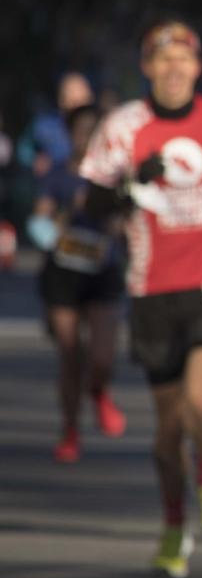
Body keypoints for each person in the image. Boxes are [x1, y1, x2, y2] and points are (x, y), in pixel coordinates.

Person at [79, 22, 202, 578]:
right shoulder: (124, 126)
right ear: (147, 68)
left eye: (185, 60)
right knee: (167, 428)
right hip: (152, 285)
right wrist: (133, 180)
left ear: (197, 68)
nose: (175, 70)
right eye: (164, 61)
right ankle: (174, 524)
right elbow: (93, 203)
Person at [31, 102, 126, 462]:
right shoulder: (58, 174)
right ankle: (70, 428)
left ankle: (99, 389)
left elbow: (130, 219)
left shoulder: (115, 177)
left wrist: (116, 222)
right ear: (69, 134)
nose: (87, 138)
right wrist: (63, 218)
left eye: (94, 131)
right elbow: (39, 223)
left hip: (103, 271)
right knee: (70, 354)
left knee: (101, 356)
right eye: (81, 130)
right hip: (65, 271)